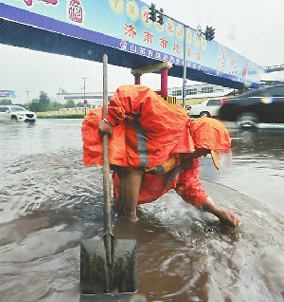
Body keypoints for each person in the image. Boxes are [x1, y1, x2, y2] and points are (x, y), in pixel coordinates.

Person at [82, 84, 241, 227]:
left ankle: (120, 214)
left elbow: (192, 190)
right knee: (133, 177)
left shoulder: (187, 162)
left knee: (120, 207)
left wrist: (217, 211)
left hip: (129, 171)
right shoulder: (170, 120)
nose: (205, 155)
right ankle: (129, 221)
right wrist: (110, 120)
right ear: (199, 140)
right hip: (114, 140)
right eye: (206, 150)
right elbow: (135, 94)